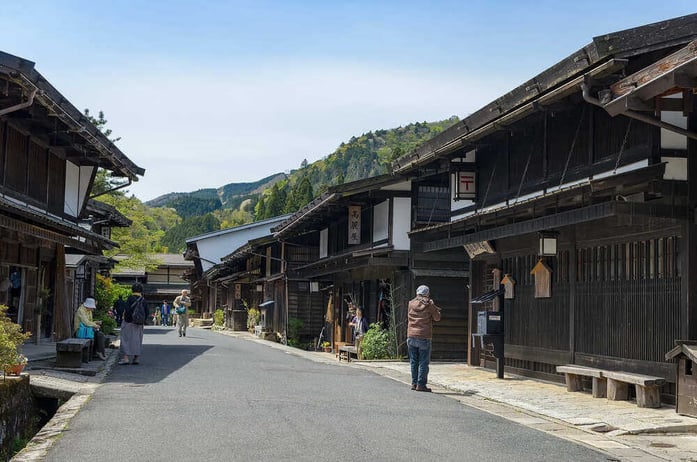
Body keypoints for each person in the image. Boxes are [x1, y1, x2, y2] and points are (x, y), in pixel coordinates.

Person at [407, 285, 441, 392]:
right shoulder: (428, 304)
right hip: (424, 336)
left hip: (411, 335)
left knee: (413, 361)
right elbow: (437, 317)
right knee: (423, 362)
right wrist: (433, 306)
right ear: (427, 293)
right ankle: (421, 385)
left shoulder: (411, 303)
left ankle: (414, 383)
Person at [119, 283, 147, 365]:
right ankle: (136, 358)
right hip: (139, 323)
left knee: (126, 339)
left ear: (132, 290)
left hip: (129, 322)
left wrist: (126, 319)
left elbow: (127, 310)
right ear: (141, 290)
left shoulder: (130, 298)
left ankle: (126, 358)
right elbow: (147, 312)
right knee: (137, 340)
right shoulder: (143, 300)